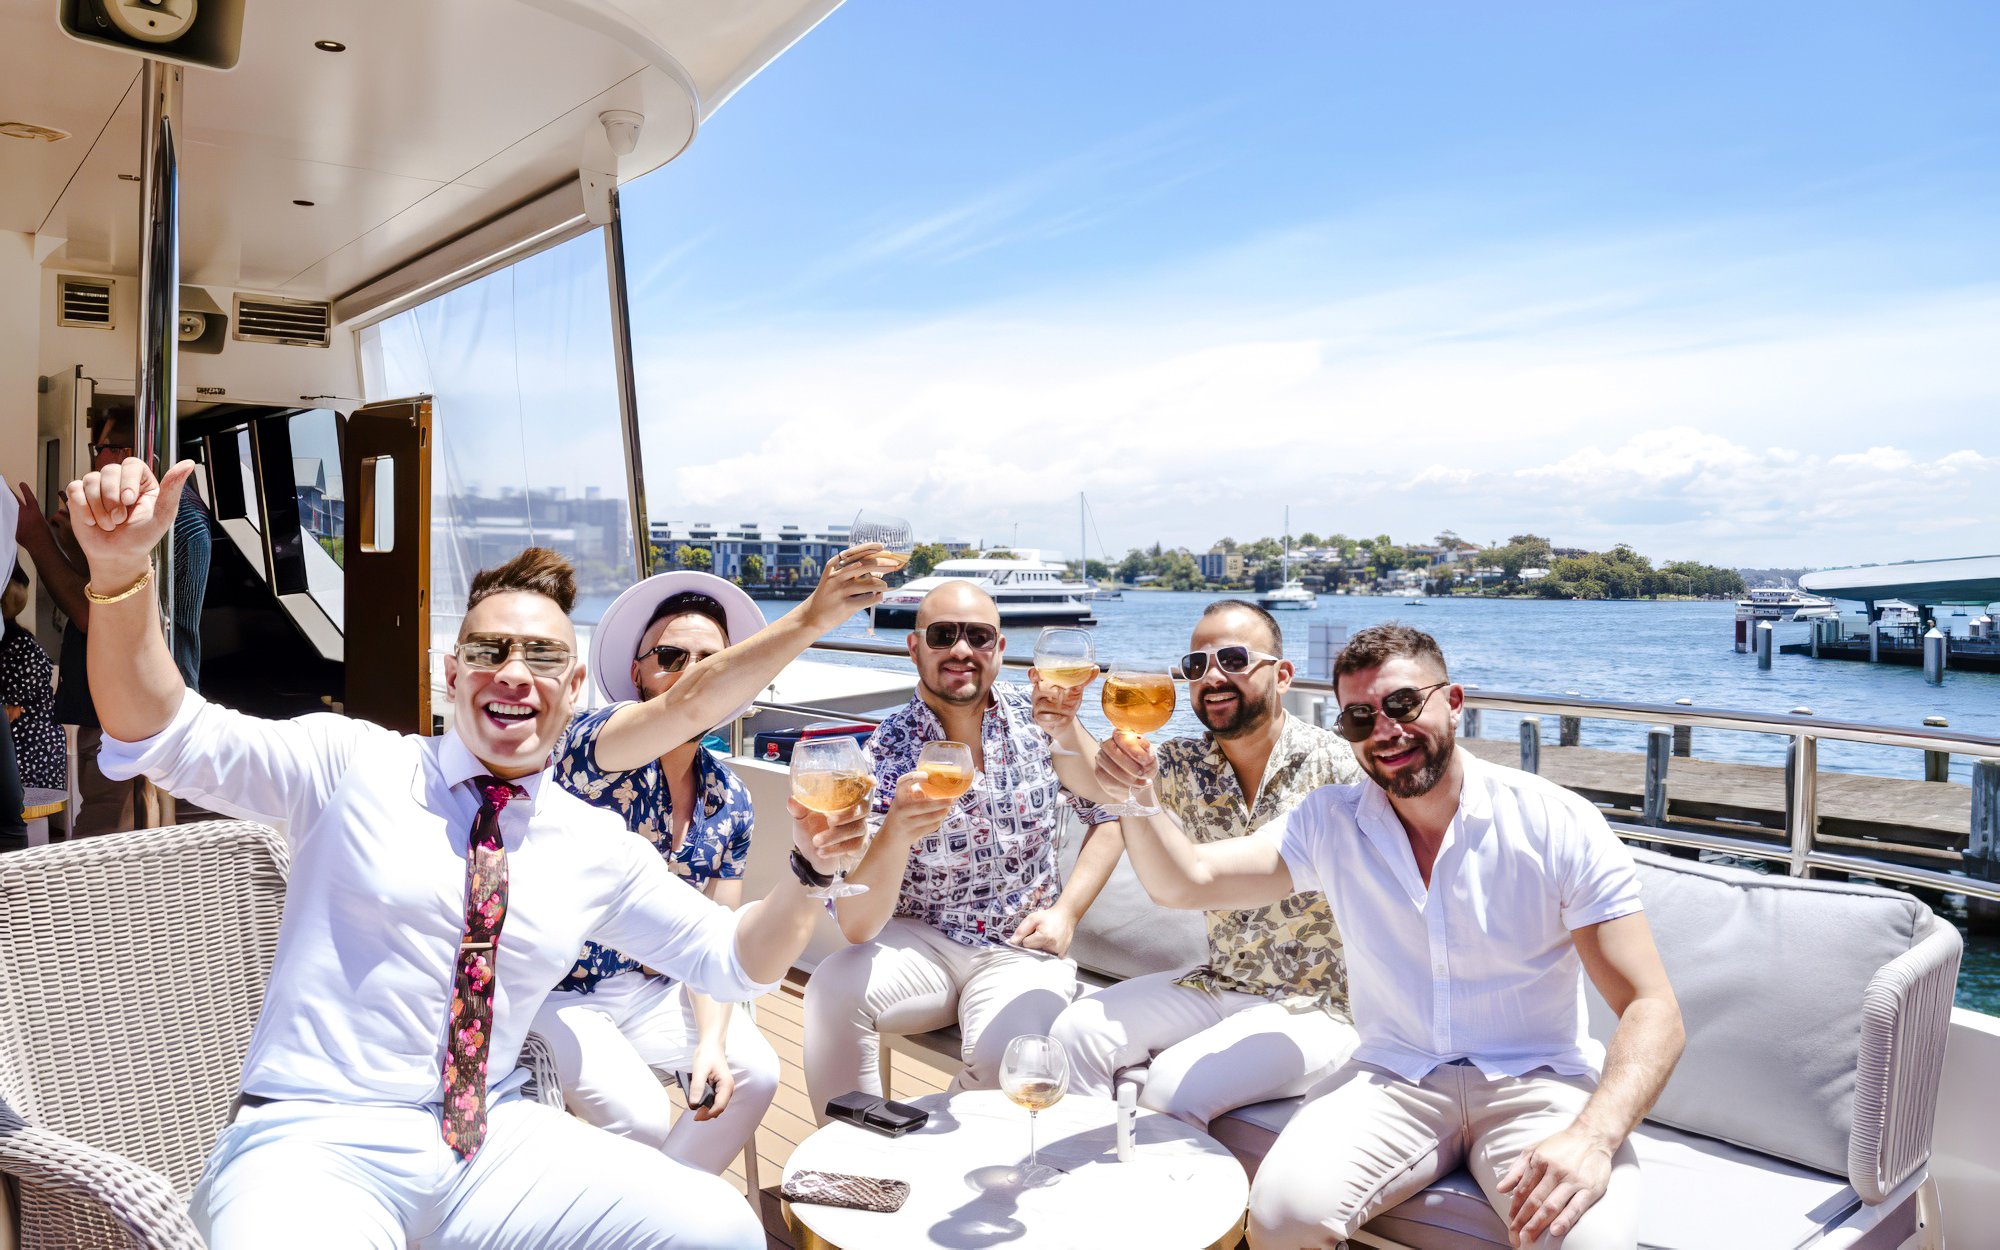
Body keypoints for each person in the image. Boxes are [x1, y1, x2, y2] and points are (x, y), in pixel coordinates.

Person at [66, 451, 888, 1249]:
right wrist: (118, 574)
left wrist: (811, 874)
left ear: (573, 690)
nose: (514, 673)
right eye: (491, 652)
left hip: (487, 1138)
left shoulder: (591, 842)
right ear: (454, 674)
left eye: (543, 657)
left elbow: (736, 960)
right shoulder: (351, 765)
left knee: (721, 1229)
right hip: (315, 1141)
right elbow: (161, 729)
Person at [1095, 624, 1683, 1250]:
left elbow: (1652, 1007)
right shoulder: (1332, 821)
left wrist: (1593, 1135)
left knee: (1587, 1242)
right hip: (1394, 1078)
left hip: (1536, 1084)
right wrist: (1137, 795)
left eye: (1402, 705)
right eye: (1358, 718)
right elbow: (1190, 881)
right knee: (1279, 1217)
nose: (1384, 729)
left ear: (1453, 702)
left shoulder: (1553, 822)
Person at [803, 581, 1123, 1120]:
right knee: (830, 989)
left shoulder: (1041, 725)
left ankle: (928, 1155)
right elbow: (857, 924)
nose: (960, 650)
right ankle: (846, 1166)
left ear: (998, 650)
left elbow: (1110, 813)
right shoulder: (880, 754)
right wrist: (896, 832)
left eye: (978, 636)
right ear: (914, 648)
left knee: (1010, 1061)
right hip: (923, 940)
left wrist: (1067, 913)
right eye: (942, 635)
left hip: (1019, 946)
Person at [1040, 600, 1363, 1129]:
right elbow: (1100, 782)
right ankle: (1082, 1181)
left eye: (1233, 659)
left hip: (1320, 1005)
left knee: (1171, 1085)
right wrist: (1062, 724)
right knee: (1075, 1034)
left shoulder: (1339, 768)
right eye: (1196, 666)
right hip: (1220, 980)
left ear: (1282, 676)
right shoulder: (1187, 763)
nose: (1212, 676)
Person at [536, 572, 782, 1174]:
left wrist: (713, 1043)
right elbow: (679, 709)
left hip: (652, 989)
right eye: (673, 657)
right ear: (639, 672)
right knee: (641, 1115)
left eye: (713, 662)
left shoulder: (730, 800)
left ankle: (659, 1220)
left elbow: (717, 937)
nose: (696, 675)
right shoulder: (594, 745)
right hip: (557, 990)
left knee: (755, 1073)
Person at [14, 402, 211, 835]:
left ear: (127, 453)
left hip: (130, 708)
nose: (94, 458)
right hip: (138, 703)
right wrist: (74, 545)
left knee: (107, 834)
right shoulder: (160, 518)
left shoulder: (174, 520)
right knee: (145, 838)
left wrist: (38, 542)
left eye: (99, 447)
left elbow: (96, 615)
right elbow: (112, 596)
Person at [3, 565, 67, 793]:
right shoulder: (21, 644)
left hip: (30, 749)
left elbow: (12, 709)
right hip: (33, 746)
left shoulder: (21, 647)